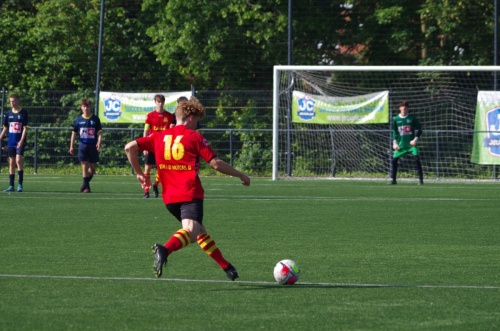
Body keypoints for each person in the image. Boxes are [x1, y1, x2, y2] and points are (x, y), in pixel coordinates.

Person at [124, 97, 250, 280]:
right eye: (197, 120)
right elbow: (215, 164)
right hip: (189, 194)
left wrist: (139, 173)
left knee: (199, 232)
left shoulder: (159, 136)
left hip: (169, 198)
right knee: (191, 233)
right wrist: (241, 174)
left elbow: (129, 148)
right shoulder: (194, 136)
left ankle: (227, 267)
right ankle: (164, 249)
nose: (197, 124)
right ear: (190, 117)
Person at [142, 94, 175, 198]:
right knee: (147, 169)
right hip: (151, 145)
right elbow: (146, 131)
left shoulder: (169, 116)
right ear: (155, 102)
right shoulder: (150, 116)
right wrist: (144, 146)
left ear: (164, 103)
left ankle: (156, 185)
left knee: (162, 169)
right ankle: (146, 191)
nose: (160, 104)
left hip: (163, 146)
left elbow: (172, 131)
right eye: (158, 102)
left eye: (162, 102)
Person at [69, 98, 103, 193]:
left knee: (92, 168)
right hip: (82, 145)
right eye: (84, 106)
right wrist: (71, 146)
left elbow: (99, 132)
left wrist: (99, 142)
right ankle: (87, 188)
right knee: (84, 166)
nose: (86, 108)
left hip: (92, 146)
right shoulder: (78, 120)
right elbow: (74, 133)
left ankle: (84, 184)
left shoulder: (95, 119)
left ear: (90, 107)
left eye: (87, 106)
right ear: (81, 108)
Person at [389, 101, 423, 185]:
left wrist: (415, 140)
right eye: (402, 106)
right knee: (394, 160)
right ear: (399, 108)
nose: (404, 108)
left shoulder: (412, 118)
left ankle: (421, 180)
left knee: (417, 159)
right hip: (401, 145)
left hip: (411, 145)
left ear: (408, 108)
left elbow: (420, 130)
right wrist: (394, 143)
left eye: (405, 106)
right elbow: (395, 132)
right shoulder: (395, 119)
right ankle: (393, 180)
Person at [0, 94, 29, 192]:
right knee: (11, 162)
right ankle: (11, 185)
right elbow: (5, 127)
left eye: (13, 101)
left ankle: (20, 184)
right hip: (11, 141)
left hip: (19, 141)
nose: (12, 103)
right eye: (10, 101)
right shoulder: (8, 113)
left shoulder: (23, 113)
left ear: (18, 101)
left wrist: (21, 140)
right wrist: (1, 137)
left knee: (18, 160)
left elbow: (25, 129)